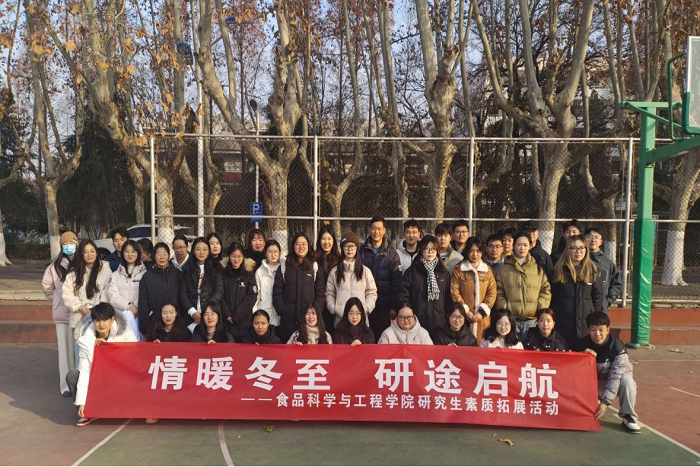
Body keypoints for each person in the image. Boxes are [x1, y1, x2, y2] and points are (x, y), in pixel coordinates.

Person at [66, 303, 137, 427]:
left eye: (105, 320)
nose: (101, 324)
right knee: (73, 375)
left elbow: (134, 360)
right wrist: (82, 403)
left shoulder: (126, 333)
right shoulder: (86, 339)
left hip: (120, 379)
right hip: (98, 379)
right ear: (93, 321)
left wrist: (108, 350)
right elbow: (85, 371)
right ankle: (87, 413)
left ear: (112, 319)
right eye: (97, 321)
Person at [581, 312, 641, 434]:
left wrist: (604, 404)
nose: (597, 334)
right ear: (589, 330)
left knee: (627, 380)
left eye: (601, 330)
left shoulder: (617, 347)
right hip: (594, 385)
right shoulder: (582, 343)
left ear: (608, 330)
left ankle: (628, 416)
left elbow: (615, 377)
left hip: (614, 383)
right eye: (593, 330)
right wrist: (582, 355)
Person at [550, 234, 604, 346]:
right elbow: (552, 297)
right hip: (563, 325)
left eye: (581, 247)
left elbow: (598, 297)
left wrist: (594, 318)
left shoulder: (592, 271)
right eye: (573, 248)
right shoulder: (558, 271)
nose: (578, 251)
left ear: (586, 250)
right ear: (568, 250)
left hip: (585, 324)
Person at [495, 232, 551, 340]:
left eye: (525, 245)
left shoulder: (537, 268)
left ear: (530, 246)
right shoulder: (504, 269)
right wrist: (505, 308)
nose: (522, 248)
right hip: (512, 319)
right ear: (514, 246)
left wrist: (539, 307)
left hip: (532, 319)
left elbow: (546, 289)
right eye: (519, 245)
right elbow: (499, 290)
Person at [41, 231, 79, 396]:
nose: (69, 246)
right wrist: (58, 299)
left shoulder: (81, 262)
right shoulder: (54, 267)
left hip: (80, 314)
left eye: (71, 242)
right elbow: (47, 287)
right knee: (65, 351)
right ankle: (66, 386)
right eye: (65, 244)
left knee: (79, 350)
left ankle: (80, 383)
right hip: (62, 315)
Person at [273, 233, 326, 342]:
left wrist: (314, 312)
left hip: (309, 322)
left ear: (308, 246)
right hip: (288, 320)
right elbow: (277, 292)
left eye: (304, 244)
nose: (301, 247)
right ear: (293, 246)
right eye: (297, 244)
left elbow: (320, 294)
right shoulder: (284, 267)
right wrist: (283, 310)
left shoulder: (315, 267)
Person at [398, 235, 452, 338]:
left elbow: (449, 299)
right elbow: (403, 295)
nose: (430, 252)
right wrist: (409, 315)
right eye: (426, 248)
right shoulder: (412, 271)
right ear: (421, 250)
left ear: (437, 251)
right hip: (417, 322)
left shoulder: (443, 272)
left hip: (440, 323)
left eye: (433, 249)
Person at [360, 216, 402, 339]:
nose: (376, 232)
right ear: (369, 230)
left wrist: (393, 306)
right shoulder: (362, 251)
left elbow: (396, 281)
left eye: (379, 229)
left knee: (381, 338)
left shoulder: (392, 254)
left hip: (383, 306)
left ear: (384, 231)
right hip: (364, 304)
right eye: (373, 228)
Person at [62, 239, 112, 341]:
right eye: (86, 252)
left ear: (96, 253)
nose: (89, 255)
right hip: (78, 319)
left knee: (99, 349)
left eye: (92, 251)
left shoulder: (106, 270)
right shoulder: (73, 273)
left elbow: (107, 291)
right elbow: (67, 294)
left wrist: (96, 310)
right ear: (81, 254)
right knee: (80, 349)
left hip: (99, 320)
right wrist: (79, 307)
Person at [326, 231, 377, 327]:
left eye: (352, 246)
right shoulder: (335, 272)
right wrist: (334, 309)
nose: (349, 249)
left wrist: (366, 309)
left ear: (357, 248)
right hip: (341, 321)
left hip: (361, 321)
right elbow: (329, 293)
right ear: (342, 248)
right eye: (346, 246)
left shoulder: (365, 271)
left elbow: (372, 293)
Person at [450, 237, 497, 342]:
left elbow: (492, 292)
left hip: (483, 319)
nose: (475, 254)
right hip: (463, 318)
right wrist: (465, 311)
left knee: (482, 345)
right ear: (467, 252)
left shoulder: (488, 270)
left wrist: (482, 311)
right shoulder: (458, 270)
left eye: (478, 251)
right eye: (471, 251)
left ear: (482, 252)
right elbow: (454, 291)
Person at [180, 237, 224, 331]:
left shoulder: (216, 268)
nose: (201, 252)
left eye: (205, 249)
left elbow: (219, 291)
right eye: (198, 249)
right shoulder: (187, 269)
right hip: (191, 316)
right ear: (193, 251)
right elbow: (183, 292)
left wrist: (206, 310)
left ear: (209, 251)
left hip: (210, 313)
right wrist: (192, 312)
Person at [106, 240, 147, 339]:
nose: (130, 254)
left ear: (138, 253)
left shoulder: (145, 274)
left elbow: (146, 294)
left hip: (140, 316)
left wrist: (136, 308)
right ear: (122, 253)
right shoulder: (115, 275)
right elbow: (112, 296)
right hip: (121, 318)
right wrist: (129, 306)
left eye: (133, 251)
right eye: (127, 251)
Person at [137, 243, 181, 335]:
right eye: (159, 254)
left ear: (169, 256)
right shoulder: (147, 277)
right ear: (154, 256)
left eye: (165, 254)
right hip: (155, 323)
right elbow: (143, 302)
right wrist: (144, 326)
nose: (162, 257)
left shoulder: (177, 274)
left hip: (177, 322)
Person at [220, 242, 257, 342]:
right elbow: (220, 294)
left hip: (244, 322)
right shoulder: (223, 272)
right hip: (226, 322)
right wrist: (227, 314)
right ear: (229, 256)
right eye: (233, 256)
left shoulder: (248, 273)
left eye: (239, 256)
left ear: (243, 257)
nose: (236, 259)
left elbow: (251, 296)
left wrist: (236, 317)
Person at [585, 227, 623, 312]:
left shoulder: (608, 264)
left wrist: (606, 301)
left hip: (601, 309)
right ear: (584, 240)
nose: (593, 240)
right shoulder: (579, 261)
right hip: (581, 308)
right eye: (590, 236)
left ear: (601, 242)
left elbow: (617, 284)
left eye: (596, 237)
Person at [315, 225, 341, 334]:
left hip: (334, 302)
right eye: (323, 239)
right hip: (318, 302)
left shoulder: (339, 259)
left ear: (333, 241)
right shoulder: (314, 258)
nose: (326, 242)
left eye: (329, 239)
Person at [253, 240, 282, 327]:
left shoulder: (284, 269)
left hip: (281, 313)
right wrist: (255, 312)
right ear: (265, 253)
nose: (273, 255)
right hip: (265, 313)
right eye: (270, 252)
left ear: (279, 253)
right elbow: (257, 295)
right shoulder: (260, 271)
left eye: (275, 251)